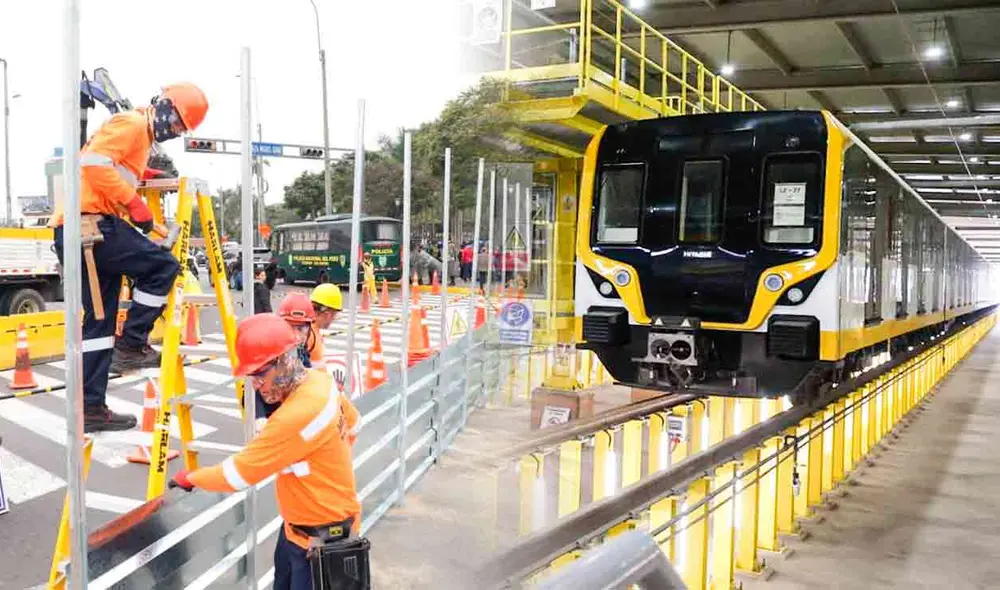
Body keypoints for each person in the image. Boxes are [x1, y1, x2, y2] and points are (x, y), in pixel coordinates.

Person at [51, 82, 208, 432]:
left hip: (80, 232)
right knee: (163, 267)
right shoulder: (133, 123)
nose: (176, 130)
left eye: (182, 128)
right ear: (165, 106)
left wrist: (142, 176)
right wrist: (135, 203)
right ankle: (134, 342)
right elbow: (92, 163)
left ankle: (91, 409)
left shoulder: (140, 139)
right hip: (91, 225)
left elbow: (109, 165)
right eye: (178, 122)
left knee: (99, 324)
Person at [169, 314, 367, 590]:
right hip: (299, 531)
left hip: (321, 542)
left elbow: (237, 475)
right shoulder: (319, 381)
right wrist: (322, 462)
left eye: (260, 373)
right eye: (251, 375)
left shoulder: (294, 417)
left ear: (285, 360)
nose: (255, 383)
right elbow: (354, 424)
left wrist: (191, 477)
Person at [308, 283, 344, 371]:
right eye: (335, 315)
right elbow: (319, 373)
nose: (333, 319)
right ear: (328, 315)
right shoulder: (312, 336)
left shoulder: (305, 328)